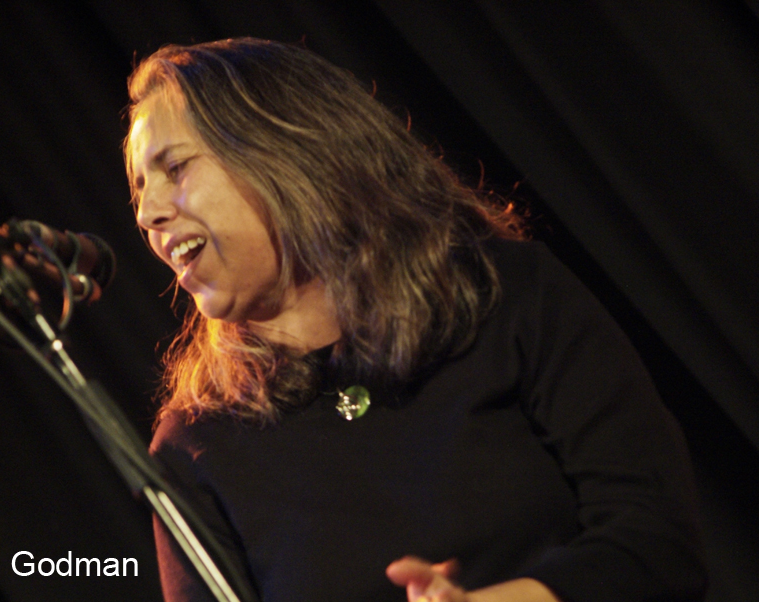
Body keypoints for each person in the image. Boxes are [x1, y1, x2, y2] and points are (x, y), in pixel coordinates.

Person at [124, 38, 707, 602]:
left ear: (284, 147)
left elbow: (655, 538)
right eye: (140, 190)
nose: (149, 214)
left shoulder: (503, 294)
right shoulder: (195, 445)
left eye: (174, 167)